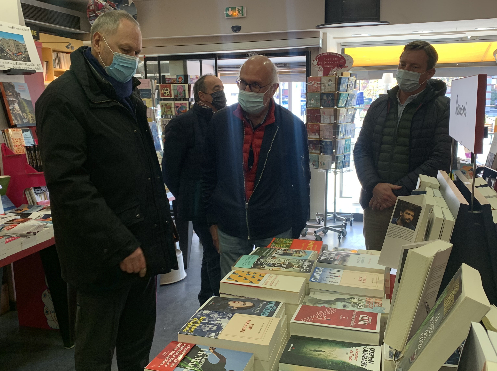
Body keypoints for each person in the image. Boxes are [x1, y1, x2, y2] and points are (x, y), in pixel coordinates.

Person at [35, 10, 177, 371]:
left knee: (136, 347)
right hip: (103, 256)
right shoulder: (64, 99)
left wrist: (159, 235)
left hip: (141, 247)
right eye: (126, 49)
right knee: (96, 353)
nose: (132, 59)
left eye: (137, 53)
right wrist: (122, 244)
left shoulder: (126, 96)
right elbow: (70, 186)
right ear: (97, 42)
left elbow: (145, 174)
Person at [202, 55, 311, 277]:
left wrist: (295, 227)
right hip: (230, 226)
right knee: (234, 296)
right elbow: (208, 175)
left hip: (275, 228)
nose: (247, 90)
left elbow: (300, 181)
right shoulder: (221, 122)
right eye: (243, 82)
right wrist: (212, 222)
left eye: (256, 85)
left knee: (275, 292)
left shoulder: (292, 127)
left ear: (273, 89)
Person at [353, 40, 452, 250]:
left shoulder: (442, 108)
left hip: (417, 205)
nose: (406, 71)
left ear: (429, 72)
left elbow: (441, 158)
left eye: (414, 67)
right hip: (376, 203)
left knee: (413, 273)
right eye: (403, 64)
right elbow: (361, 149)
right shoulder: (379, 105)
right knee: (376, 270)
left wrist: (397, 191)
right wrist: (375, 186)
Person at [162, 74, 226, 305]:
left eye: (222, 88)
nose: (221, 92)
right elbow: (169, 170)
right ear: (202, 94)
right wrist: (188, 195)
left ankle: (208, 301)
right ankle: (212, 302)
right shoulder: (183, 124)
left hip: (221, 201)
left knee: (213, 252)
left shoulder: (223, 119)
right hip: (199, 202)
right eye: (216, 88)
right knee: (213, 249)